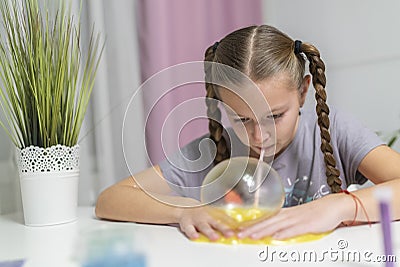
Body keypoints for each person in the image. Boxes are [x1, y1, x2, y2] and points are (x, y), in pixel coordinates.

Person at [95, 25, 400, 242]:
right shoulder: (212, 149)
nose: (259, 136)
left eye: (275, 116)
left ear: (303, 92)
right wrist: (183, 210)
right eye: (241, 119)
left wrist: (341, 205)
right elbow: (110, 200)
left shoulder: (335, 132)